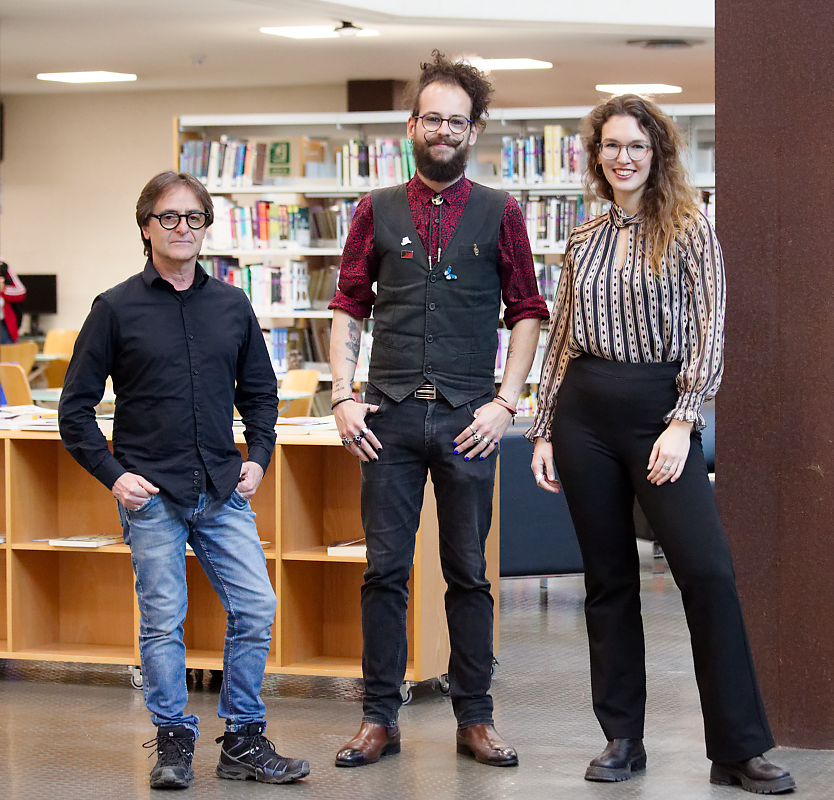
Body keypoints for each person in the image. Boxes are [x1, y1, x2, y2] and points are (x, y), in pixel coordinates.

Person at [527, 95, 795, 793]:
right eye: (611, 146)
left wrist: (683, 421)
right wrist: (545, 427)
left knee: (707, 573)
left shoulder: (689, 229)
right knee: (608, 581)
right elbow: (560, 338)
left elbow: (711, 329)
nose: (622, 157)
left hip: (658, 411)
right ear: (596, 156)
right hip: (583, 413)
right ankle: (622, 738)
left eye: (636, 146)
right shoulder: (582, 239)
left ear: (658, 155)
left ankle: (737, 748)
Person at [328, 51, 548, 769]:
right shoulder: (374, 209)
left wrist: (506, 403)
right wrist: (341, 393)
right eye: (433, 118)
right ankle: (378, 718)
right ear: (413, 123)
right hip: (386, 418)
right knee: (383, 571)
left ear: (474, 129)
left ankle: (475, 719)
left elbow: (528, 312)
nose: (444, 130)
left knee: (468, 574)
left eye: (457, 120)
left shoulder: (500, 211)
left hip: (467, 425)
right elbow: (347, 306)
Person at [59, 171, 309, 790]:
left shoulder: (230, 305)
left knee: (256, 606)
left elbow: (262, 393)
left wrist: (259, 456)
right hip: (151, 496)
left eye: (193, 218)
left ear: (206, 228)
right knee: (162, 619)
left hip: (222, 488)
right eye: (168, 218)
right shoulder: (115, 308)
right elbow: (74, 411)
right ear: (145, 227)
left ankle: (243, 740)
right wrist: (115, 477)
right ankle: (172, 741)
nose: (181, 229)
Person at [0, 260, 26, 343]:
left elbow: (21, 292)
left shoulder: (1, 264)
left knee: (9, 352)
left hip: (2, 324)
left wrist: (2, 289)